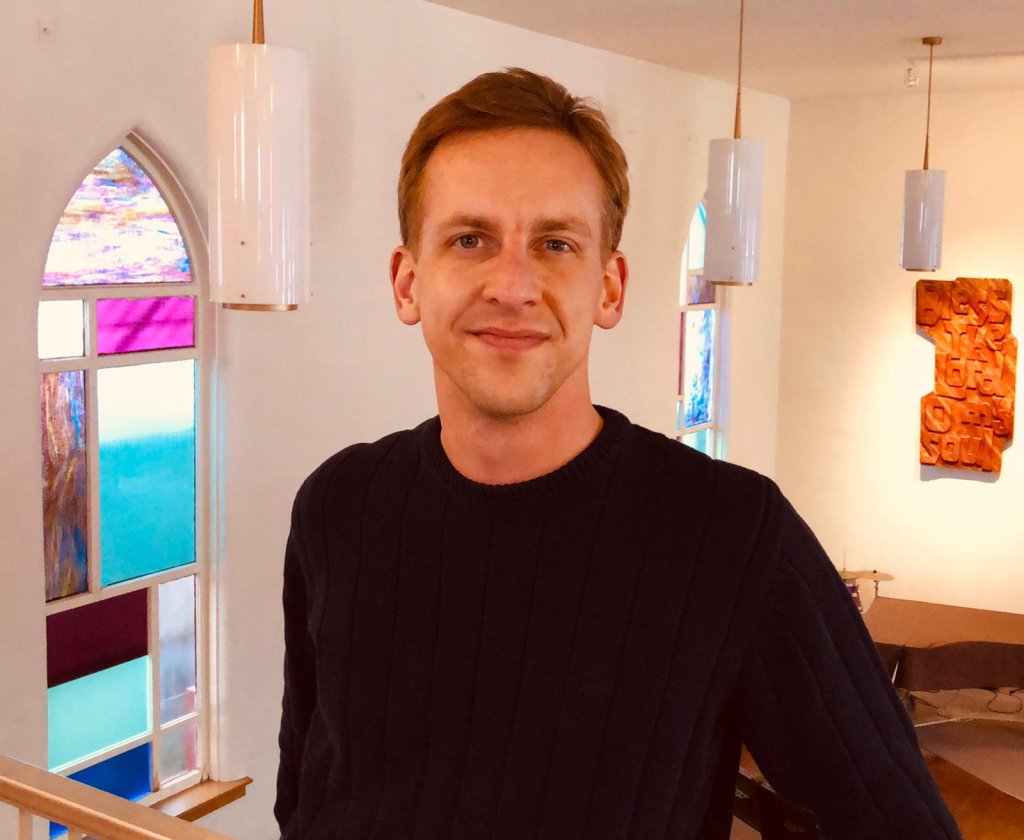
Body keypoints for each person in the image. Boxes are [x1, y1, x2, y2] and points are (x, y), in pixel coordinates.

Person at [275, 68, 961, 840]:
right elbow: (306, 784)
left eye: (555, 243)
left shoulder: (731, 533)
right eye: (470, 240)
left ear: (609, 287)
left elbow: (899, 825)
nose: (512, 284)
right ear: (408, 283)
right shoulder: (339, 504)